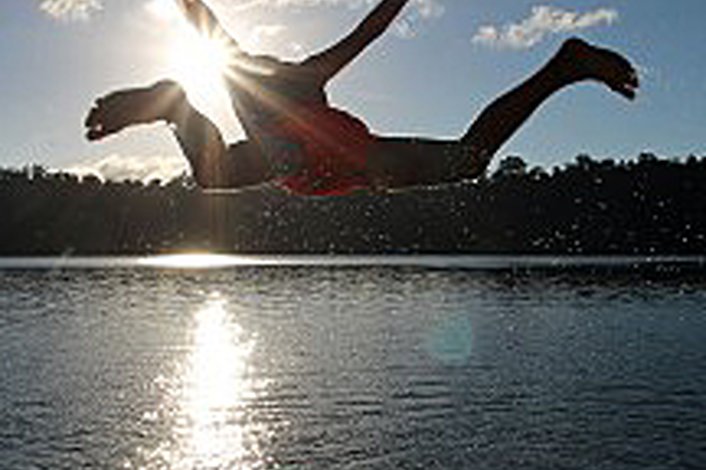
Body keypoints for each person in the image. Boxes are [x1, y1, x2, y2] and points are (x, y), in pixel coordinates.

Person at [85, 0, 639, 196]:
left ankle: (173, 103)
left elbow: (202, 18)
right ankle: (172, 103)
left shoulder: (256, 74)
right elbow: (370, 31)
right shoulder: (276, 74)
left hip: (334, 159)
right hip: (322, 163)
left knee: (216, 172)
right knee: (469, 161)